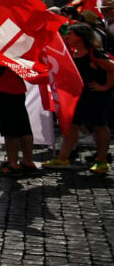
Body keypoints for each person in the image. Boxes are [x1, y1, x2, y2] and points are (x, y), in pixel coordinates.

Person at [44, 23, 114, 173]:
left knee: (99, 127)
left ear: (81, 37)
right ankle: (63, 158)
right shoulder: (72, 52)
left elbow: (112, 68)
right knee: (71, 127)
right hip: (76, 97)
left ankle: (102, 161)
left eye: (70, 34)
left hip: (95, 97)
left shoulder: (95, 53)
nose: (67, 36)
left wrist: (106, 86)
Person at [0, 64, 40, 175]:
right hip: (16, 87)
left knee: (10, 129)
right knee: (24, 126)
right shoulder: (16, 46)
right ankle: (28, 162)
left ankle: (12, 164)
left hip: (1, 87)